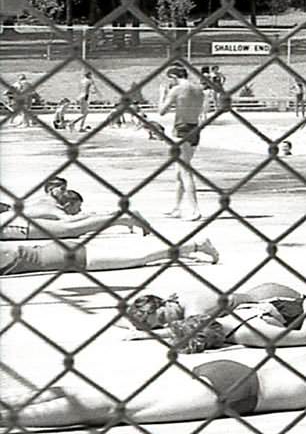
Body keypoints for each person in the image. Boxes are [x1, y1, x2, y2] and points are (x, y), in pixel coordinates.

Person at [6, 333, 306, 428]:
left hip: (235, 369)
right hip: (242, 392)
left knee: (117, 397)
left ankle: (17, 404)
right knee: (116, 411)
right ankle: (12, 418)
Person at [122, 256, 306, 348]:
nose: (165, 324)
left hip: (276, 302)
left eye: (160, 319)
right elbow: (188, 326)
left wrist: (150, 334)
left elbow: (191, 325)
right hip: (279, 303)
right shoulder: (179, 297)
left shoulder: (193, 305)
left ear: (159, 304)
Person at [3, 232, 217, 277]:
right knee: (141, 257)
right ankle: (183, 253)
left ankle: (196, 245)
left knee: (140, 259)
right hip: (60, 251)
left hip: (74, 258)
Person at [3, 175, 145, 240]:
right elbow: (72, 220)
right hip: (12, 221)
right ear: (51, 189)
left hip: (12, 222)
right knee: (71, 228)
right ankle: (123, 218)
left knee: (70, 229)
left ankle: (123, 218)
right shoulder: (50, 204)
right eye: (62, 189)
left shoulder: (48, 202)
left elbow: (72, 221)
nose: (65, 192)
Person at [157, 64, 208, 220]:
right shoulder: (199, 90)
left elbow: (161, 111)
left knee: (185, 171)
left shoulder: (177, 90)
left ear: (173, 77)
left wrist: (162, 94)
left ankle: (195, 210)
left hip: (181, 130)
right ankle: (177, 208)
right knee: (179, 171)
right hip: (194, 129)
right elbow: (200, 111)